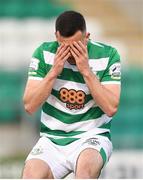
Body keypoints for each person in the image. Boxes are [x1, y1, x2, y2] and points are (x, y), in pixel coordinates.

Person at [22, 10, 121, 179]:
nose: (70, 54)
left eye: (76, 46)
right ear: (57, 37)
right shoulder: (44, 53)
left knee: (85, 172)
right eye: (64, 47)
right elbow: (29, 106)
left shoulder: (108, 55)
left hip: (91, 136)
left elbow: (111, 107)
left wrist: (86, 71)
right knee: (31, 175)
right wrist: (54, 72)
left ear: (87, 37)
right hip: (52, 139)